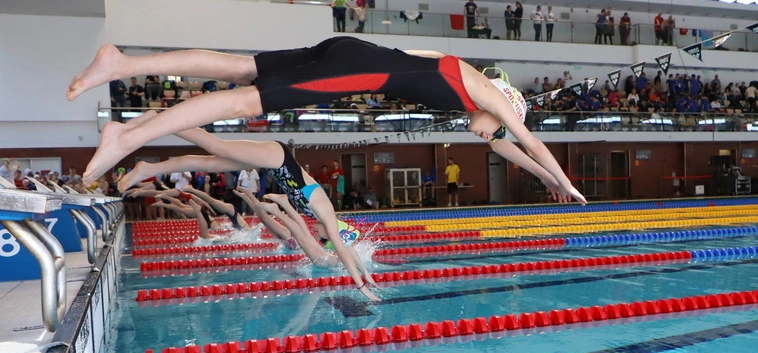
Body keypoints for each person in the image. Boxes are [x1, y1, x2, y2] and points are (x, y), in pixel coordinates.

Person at [68, 37, 586, 205]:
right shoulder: (489, 96)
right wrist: (565, 181)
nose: (492, 138)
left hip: (348, 51)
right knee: (243, 103)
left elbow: (510, 150)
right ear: (504, 109)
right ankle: (129, 135)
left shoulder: (463, 83)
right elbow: (529, 142)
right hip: (357, 70)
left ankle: (121, 64)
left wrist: (547, 182)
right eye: (497, 128)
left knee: (239, 67)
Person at [117, 115, 380, 300]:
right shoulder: (326, 213)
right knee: (216, 146)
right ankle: (158, 119)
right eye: (323, 237)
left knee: (208, 163)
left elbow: (349, 250)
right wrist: (361, 287)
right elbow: (342, 249)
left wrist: (366, 274)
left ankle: (150, 168)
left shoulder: (316, 215)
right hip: (278, 157)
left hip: (272, 164)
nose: (318, 236)